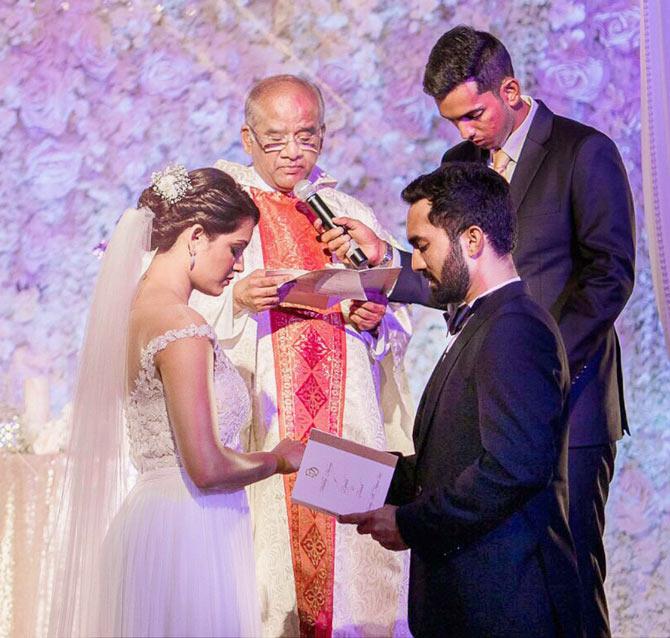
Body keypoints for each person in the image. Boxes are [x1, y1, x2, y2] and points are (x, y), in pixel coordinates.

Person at [321, 26, 635, 637]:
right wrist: (382, 258)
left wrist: (543, 364)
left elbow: (610, 276)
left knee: (566, 572)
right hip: (489, 397)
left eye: (474, 114)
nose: (466, 132)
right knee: (493, 571)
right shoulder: (459, 167)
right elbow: (450, 274)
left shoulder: (583, 151)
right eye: (453, 121)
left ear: (510, 89)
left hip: (574, 397)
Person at [190, 75, 414, 637]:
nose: (294, 152)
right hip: (266, 418)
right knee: (268, 580)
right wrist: (235, 299)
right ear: (247, 138)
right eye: (277, 139)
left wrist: (376, 318)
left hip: (348, 416)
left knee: (358, 583)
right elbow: (173, 302)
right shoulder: (221, 208)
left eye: (307, 137)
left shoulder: (343, 210)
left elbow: (396, 310)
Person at [48, 166, 304, 637]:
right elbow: (206, 467)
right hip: (189, 531)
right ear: (195, 236)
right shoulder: (180, 325)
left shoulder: (133, 311)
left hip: (154, 520)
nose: (240, 266)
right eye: (236, 249)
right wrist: (279, 459)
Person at [341, 162, 583, 637]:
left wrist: (411, 525)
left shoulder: (514, 328)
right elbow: (449, 460)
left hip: (508, 602)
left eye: (421, 245)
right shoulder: (484, 321)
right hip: (472, 601)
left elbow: (513, 467)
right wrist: (343, 468)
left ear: (472, 240)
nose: (413, 263)